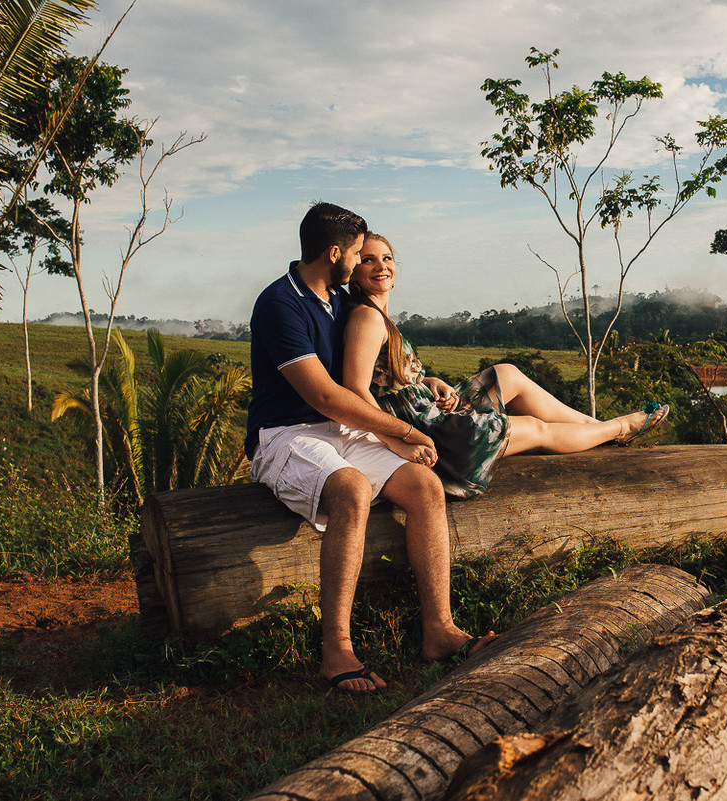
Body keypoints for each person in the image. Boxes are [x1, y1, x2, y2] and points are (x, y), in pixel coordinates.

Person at [246, 202, 494, 694]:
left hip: (340, 428)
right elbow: (323, 395)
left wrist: (425, 382)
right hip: (286, 434)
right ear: (333, 253)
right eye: (358, 253)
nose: (362, 262)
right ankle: (336, 647)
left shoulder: (337, 300)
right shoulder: (279, 303)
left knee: (425, 486)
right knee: (353, 490)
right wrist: (401, 432)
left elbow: (370, 367)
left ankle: (439, 630)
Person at [341, 233, 670, 498]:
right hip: (432, 435)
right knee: (534, 428)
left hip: (428, 411)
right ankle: (621, 428)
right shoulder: (367, 318)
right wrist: (397, 442)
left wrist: (430, 381)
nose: (381, 266)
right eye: (367, 259)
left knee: (506, 374)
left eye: (386, 258)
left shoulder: (377, 316)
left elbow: (385, 378)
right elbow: (355, 390)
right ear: (353, 271)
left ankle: (595, 428)